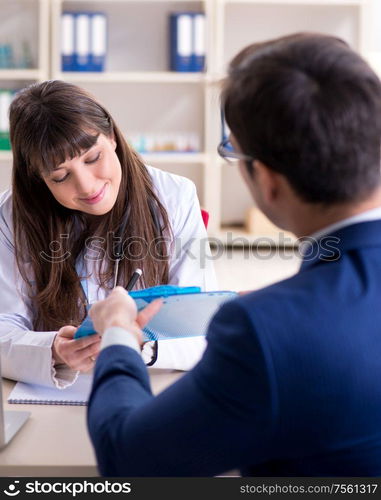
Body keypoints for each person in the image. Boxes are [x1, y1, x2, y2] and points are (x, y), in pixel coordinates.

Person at [87, 33, 381, 476]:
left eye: (232, 151)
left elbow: (127, 460)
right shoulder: (273, 322)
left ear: (266, 179)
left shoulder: (262, 330)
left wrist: (118, 337)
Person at [0, 80, 216, 388]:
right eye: (61, 176)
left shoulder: (175, 196)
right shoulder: (10, 216)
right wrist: (55, 351)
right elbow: (3, 328)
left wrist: (130, 343)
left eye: (92, 157)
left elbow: (201, 329)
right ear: (38, 178)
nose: (87, 185)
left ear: (112, 136)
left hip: (151, 387)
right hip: (53, 392)